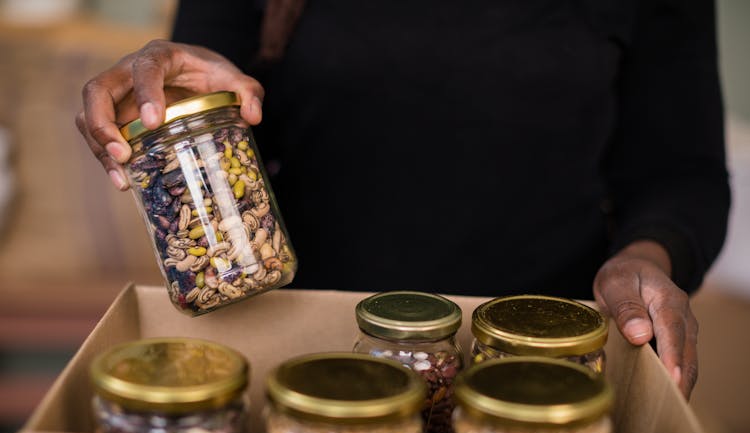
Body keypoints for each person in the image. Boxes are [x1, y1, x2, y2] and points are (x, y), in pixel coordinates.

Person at [75, 0, 730, 399]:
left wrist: (648, 255)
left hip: (542, 360)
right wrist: (169, 94)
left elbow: (682, 172)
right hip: (300, 353)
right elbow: (208, 82)